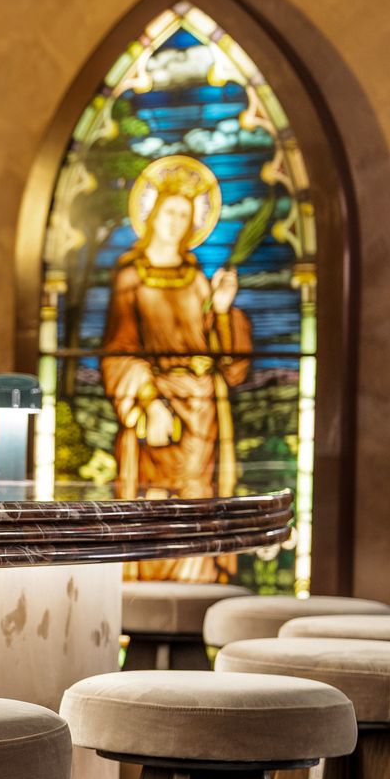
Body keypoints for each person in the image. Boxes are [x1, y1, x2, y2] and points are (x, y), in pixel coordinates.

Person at [100, 157, 251, 582]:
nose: (176, 222)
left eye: (185, 215)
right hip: (158, 414)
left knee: (199, 504)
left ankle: (197, 594)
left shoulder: (196, 277)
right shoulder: (130, 276)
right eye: (169, 211)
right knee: (158, 504)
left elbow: (231, 365)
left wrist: (222, 310)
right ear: (152, 214)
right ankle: (148, 603)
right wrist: (149, 403)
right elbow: (119, 350)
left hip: (203, 412)